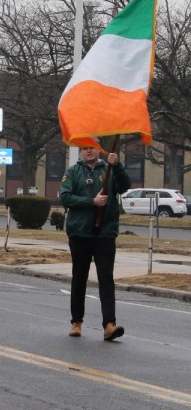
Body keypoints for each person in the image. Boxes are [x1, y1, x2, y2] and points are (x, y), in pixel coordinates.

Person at [60, 143, 130, 341]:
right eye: (84, 148)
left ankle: (109, 324)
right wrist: (92, 201)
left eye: (92, 147)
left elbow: (125, 186)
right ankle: (76, 321)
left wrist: (118, 166)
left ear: (98, 149)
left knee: (106, 278)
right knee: (79, 277)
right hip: (80, 233)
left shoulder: (109, 169)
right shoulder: (73, 172)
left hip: (105, 233)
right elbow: (65, 197)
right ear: (80, 152)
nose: (88, 150)